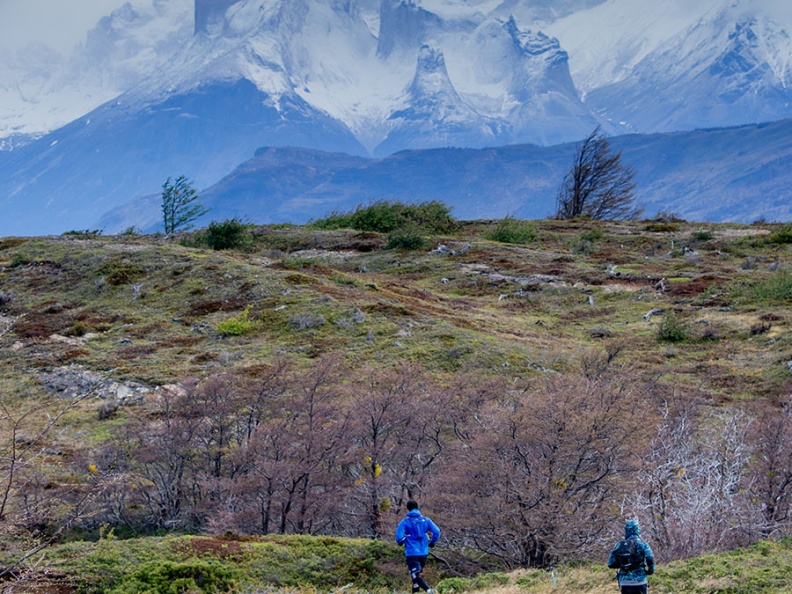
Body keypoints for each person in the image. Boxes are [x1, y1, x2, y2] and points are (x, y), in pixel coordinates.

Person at [395, 500, 441, 594]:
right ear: (417, 507)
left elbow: (399, 537)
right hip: (424, 551)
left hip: (412, 552)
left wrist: (401, 542)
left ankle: (429, 591)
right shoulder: (426, 520)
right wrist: (432, 542)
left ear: (408, 508)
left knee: (415, 575)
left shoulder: (405, 522)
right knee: (416, 576)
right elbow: (436, 532)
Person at [607, 519, 656, 594]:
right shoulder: (643, 545)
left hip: (625, 582)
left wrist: (623, 564)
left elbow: (610, 563)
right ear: (638, 530)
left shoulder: (619, 545)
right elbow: (650, 559)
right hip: (640, 581)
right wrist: (650, 571)